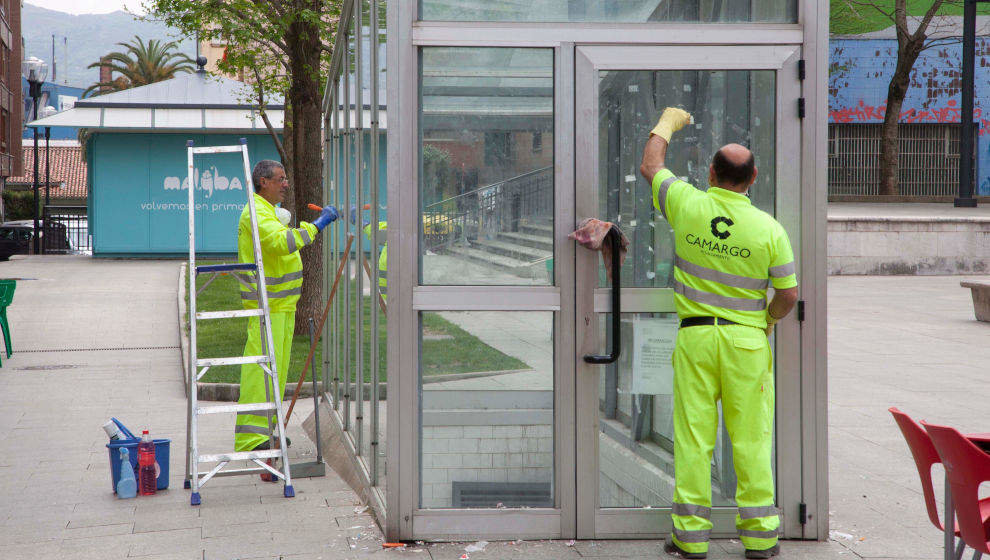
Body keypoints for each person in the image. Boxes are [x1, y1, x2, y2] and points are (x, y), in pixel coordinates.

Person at [639, 108, 798, 560]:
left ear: (710, 172)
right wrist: (765, 321)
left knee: (693, 437)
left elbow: (652, 166)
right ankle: (761, 539)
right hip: (747, 343)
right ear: (753, 179)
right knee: (750, 438)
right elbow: (788, 294)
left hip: (696, 339)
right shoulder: (770, 229)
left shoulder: (687, 203)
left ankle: (690, 538)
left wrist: (668, 123)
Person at [234, 159, 339, 454]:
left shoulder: (266, 212)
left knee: (274, 371)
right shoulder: (255, 213)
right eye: (280, 179)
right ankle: (250, 440)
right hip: (267, 306)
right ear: (262, 182)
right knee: (261, 371)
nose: (286, 184)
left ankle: (267, 433)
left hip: (280, 305)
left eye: (286, 178)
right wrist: (317, 225)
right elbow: (282, 243)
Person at [350, 206, 387, 302]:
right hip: (394, 296)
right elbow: (379, 232)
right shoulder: (402, 232)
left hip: (398, 295)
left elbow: (380, 232)